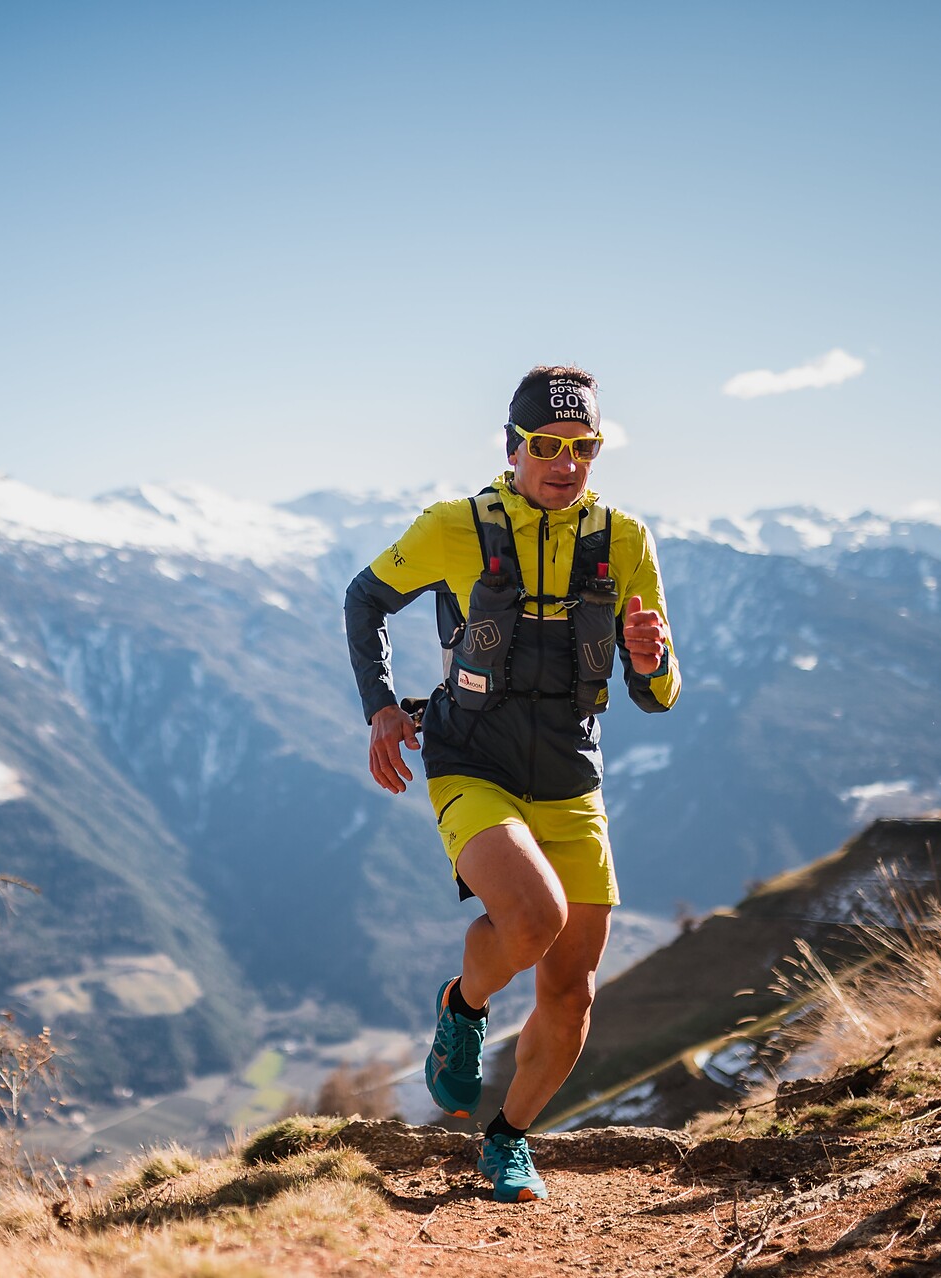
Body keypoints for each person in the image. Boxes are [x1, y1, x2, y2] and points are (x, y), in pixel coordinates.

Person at [343, 365, 680, 1203]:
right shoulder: (456, 527)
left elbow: (659, 692)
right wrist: (382, 709)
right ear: (513, 446)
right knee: (531, 917)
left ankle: (508, 1139)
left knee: (571, 991)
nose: (565, 462)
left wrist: (652, 658)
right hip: (472, 760)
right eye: (547, 446)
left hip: (571, 775)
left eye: (583, 447)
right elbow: (364, 599)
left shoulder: (626, 540)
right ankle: (464, 1004)